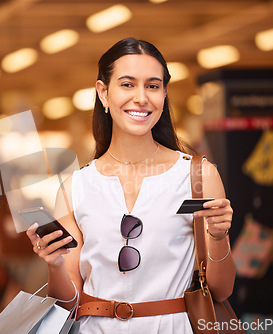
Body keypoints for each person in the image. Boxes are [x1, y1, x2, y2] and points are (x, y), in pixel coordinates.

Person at [26, 37, 236, 333]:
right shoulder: (76, 187)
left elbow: (221, 290)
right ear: (103, 92)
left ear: (164, 94)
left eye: (152, 86)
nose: (141, 98)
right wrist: (55, 265)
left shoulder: (198, 176)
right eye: (127, 84)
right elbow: (67, 302)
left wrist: (218, 236)